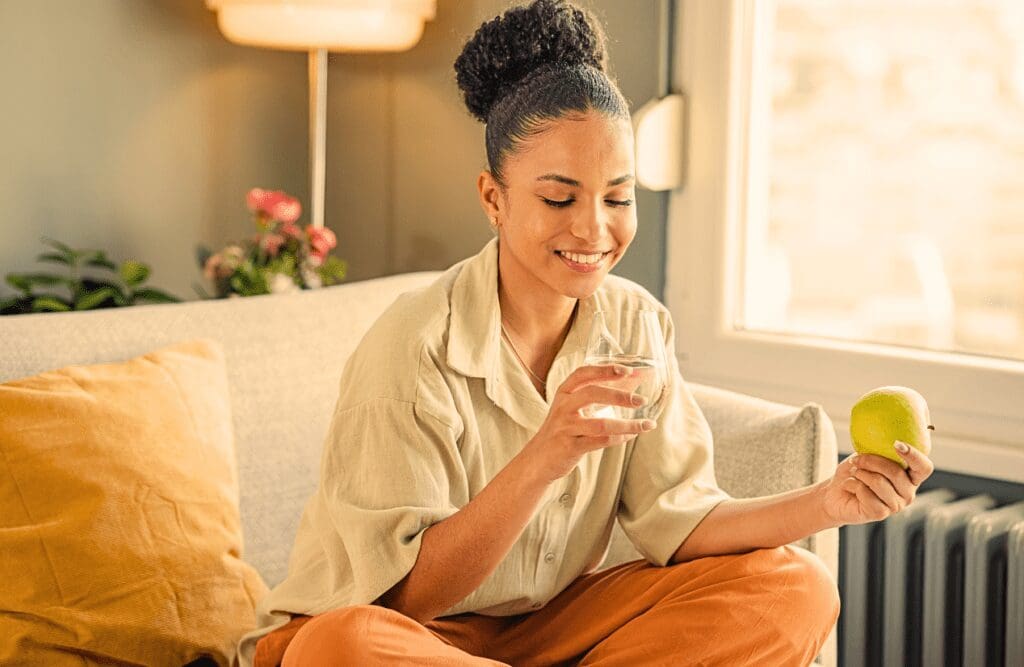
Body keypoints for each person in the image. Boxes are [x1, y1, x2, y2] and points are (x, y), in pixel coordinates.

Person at [235, 1, 935, 665]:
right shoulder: (415, 347)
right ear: (493, 198)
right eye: (559, 198)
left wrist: (828, 499)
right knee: (340, 648)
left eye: (618, 197)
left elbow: (680, 519)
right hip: (402, 630)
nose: (594, 230)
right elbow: (408, 596)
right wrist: (546, 454)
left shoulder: (635, 323)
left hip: (550, 627)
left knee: (795, 586)